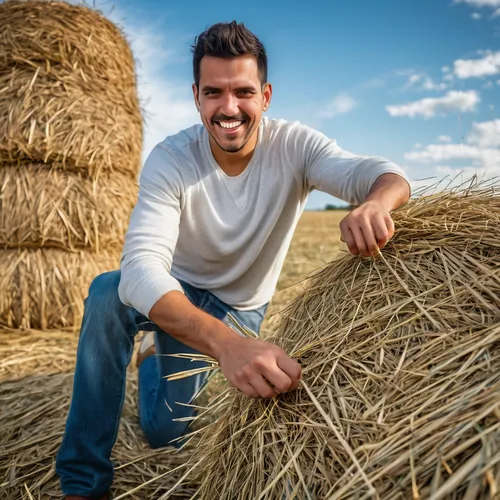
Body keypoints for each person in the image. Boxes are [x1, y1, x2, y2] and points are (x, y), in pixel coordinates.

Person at [56, 21, 411, 500]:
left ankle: (152, 360)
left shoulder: (295, 146)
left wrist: (375, 203)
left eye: (243, 92)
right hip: (175, 289)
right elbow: (140, 271)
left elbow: (383, 174)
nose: (229, 108)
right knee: (106, 293)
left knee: (169, 435)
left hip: (238, 306)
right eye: (213, 93)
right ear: (196, 96)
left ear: (265, 96)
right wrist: (225, 347)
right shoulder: (170, 158)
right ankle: (82, 482)